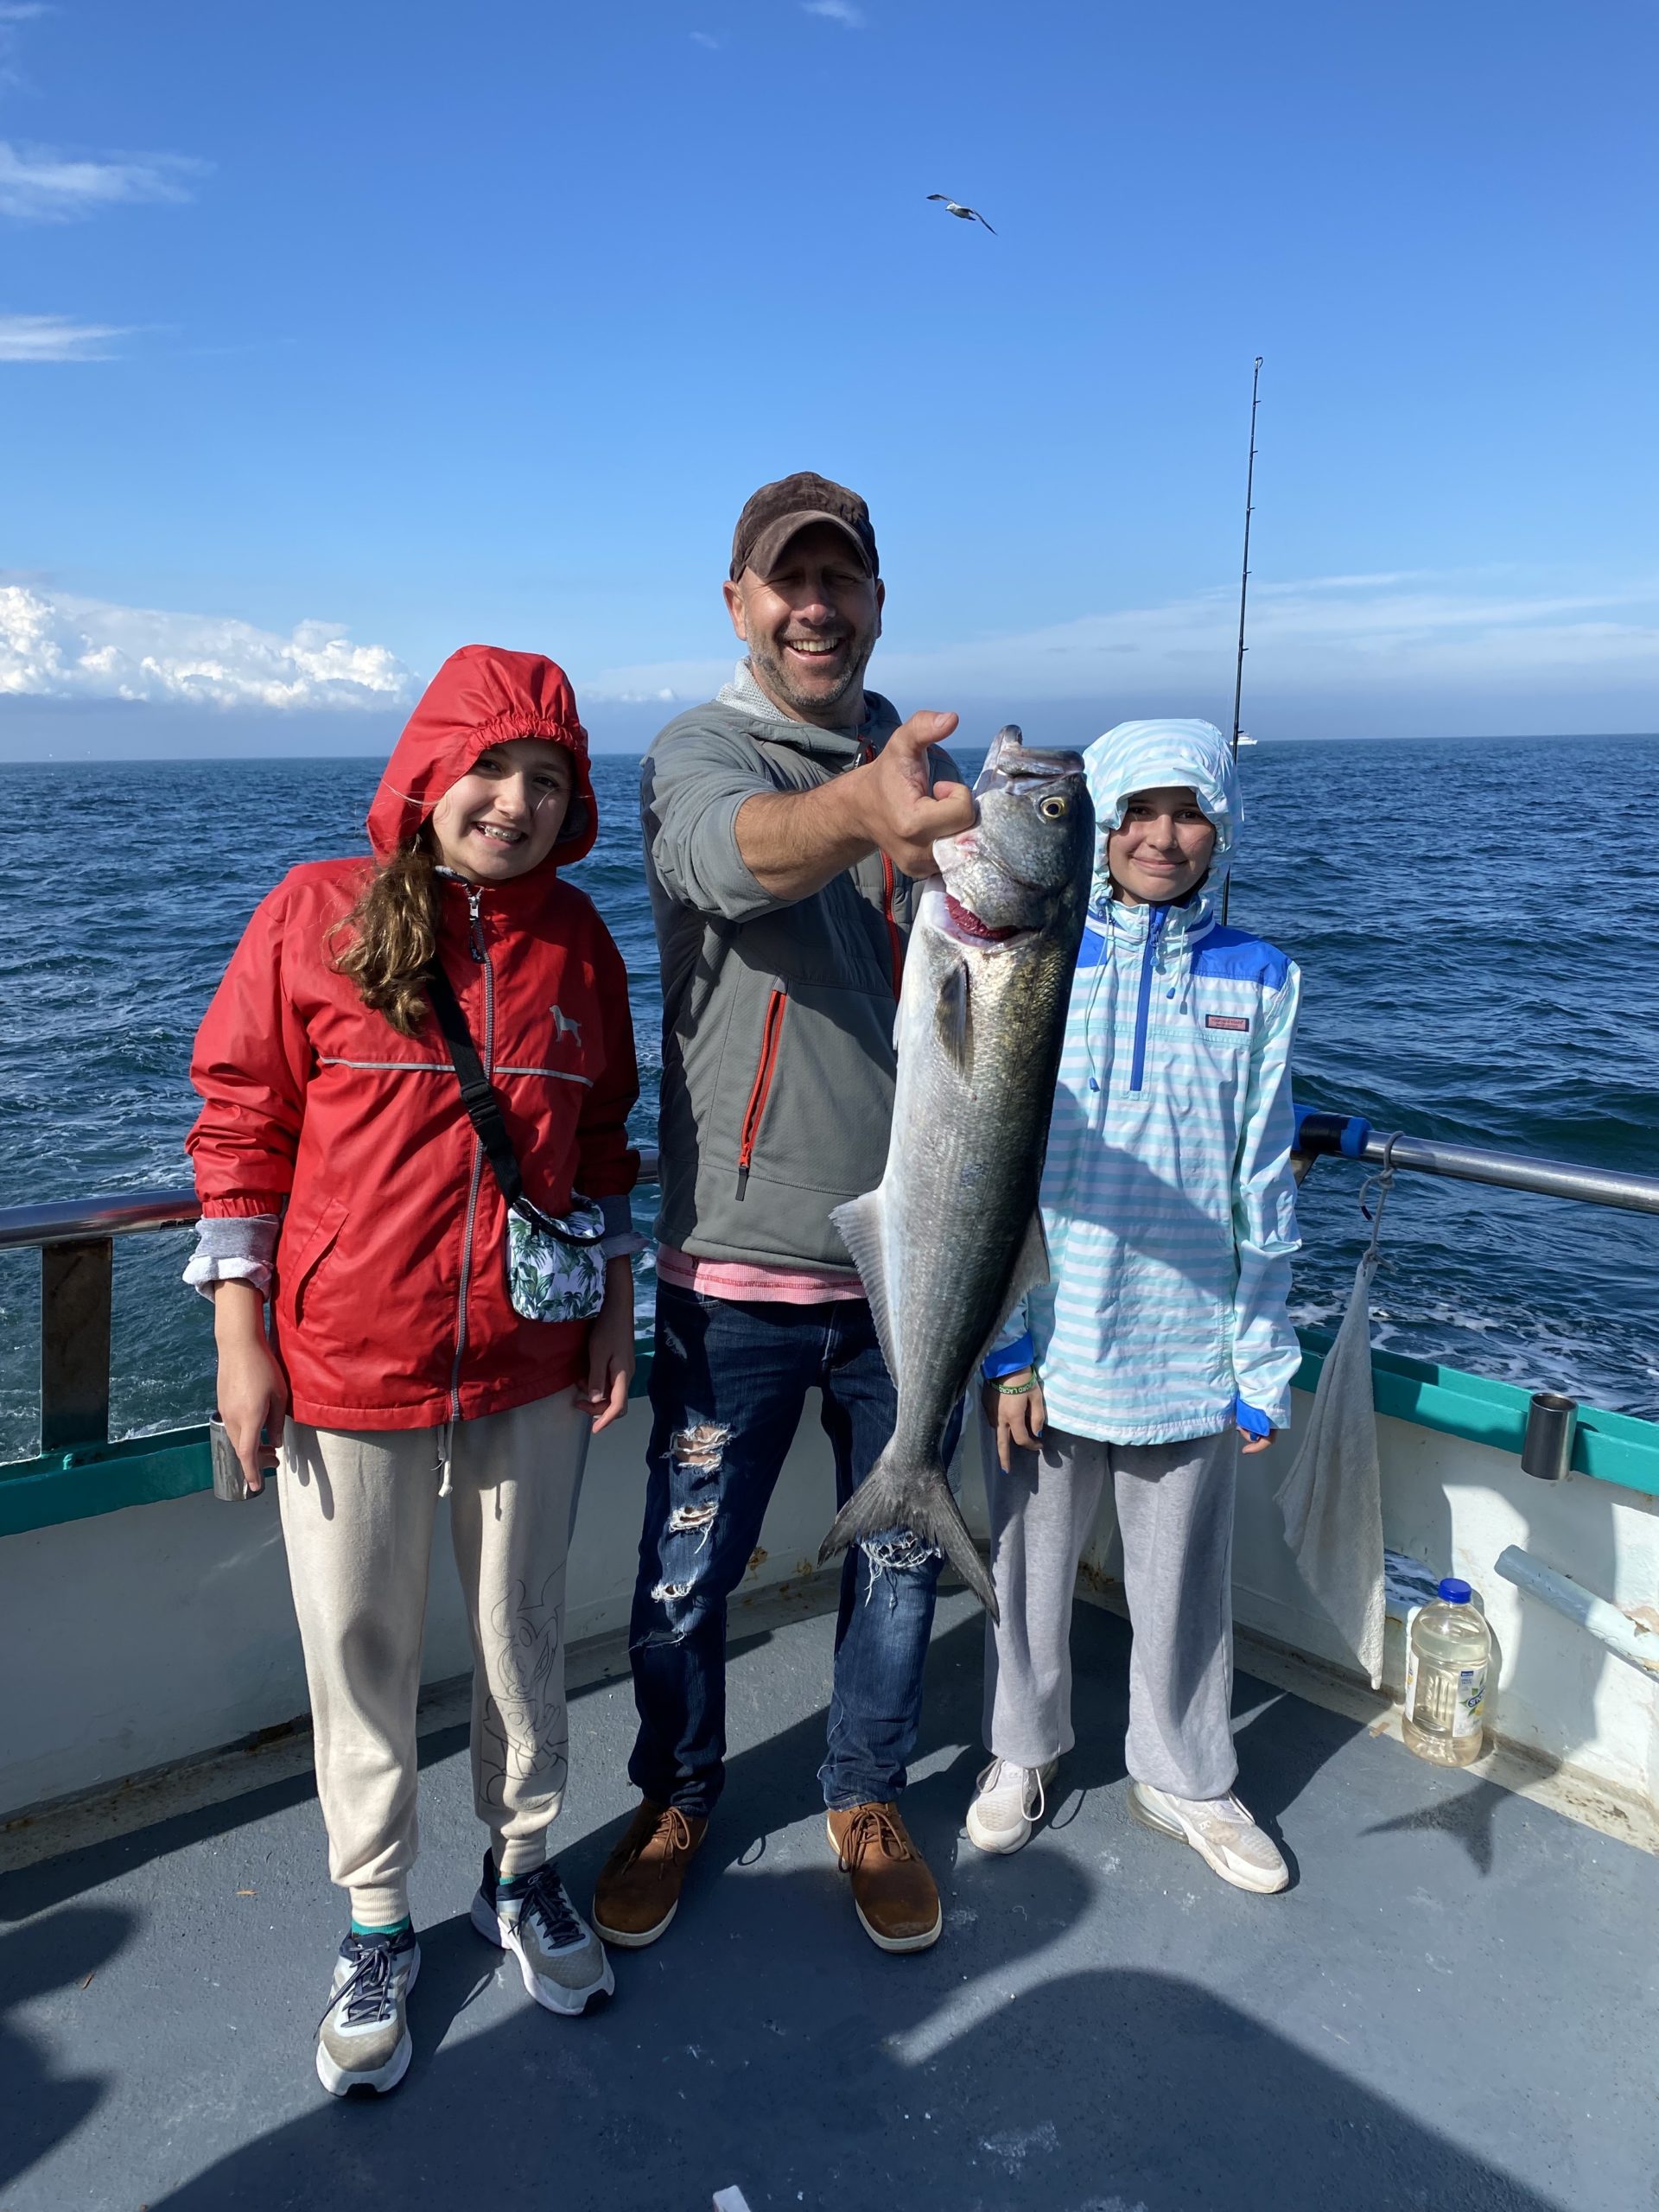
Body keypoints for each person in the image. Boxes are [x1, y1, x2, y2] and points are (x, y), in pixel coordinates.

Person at [184, 646, 641, 2095]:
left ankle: (521, 1871)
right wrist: (241, 1339)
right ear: (428, 777)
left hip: (527, 1363)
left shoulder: (581, 943)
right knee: (360, 1654)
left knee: (522, 1644)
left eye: (547, 781)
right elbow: (242, 1126)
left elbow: (608, 1146)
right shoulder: (315, 912)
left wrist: (614, 1313)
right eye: (491, 770)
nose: (513, 801)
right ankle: (378, 1915)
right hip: (343, 1367)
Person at [591, 472, 976, 1956]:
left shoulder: (936, 774)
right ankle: (679, 1793)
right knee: (687, 1568)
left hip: (915, 1276)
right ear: (741, 603)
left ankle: (865, 1790)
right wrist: (863, 812)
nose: (818, 606)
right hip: (738, 1267)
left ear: (878, 602)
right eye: (788, 582)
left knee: (898, 1555)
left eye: (844, 582)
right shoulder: (700, 749)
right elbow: (722, 857)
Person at [969, 718, 1301, 1893]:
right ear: (1101, 823)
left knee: (1186, 1587)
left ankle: (1187, 1773)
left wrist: (1262, 1360)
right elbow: (985, 1167)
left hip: (1191, 1345)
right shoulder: (1032, 960)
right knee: (1024, 1574)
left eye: (1190, 811)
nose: (1164, 835)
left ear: (1220, 827)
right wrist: (1005, 1349)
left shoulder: (1261, 975)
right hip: (1048, 1345)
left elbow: (1264, 1182)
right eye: (1139, 810)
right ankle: (1020, 1752)